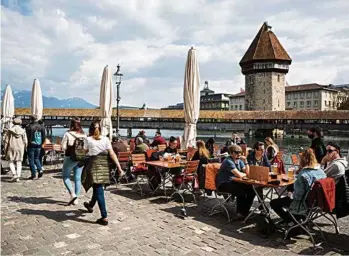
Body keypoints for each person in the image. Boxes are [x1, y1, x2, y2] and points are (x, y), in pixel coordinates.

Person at [82, 121, 123, 226]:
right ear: (100, 129)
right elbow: (112, 154)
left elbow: (83, 152)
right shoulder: (105, 139)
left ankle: (104, 217)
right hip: (104, 167)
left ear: (90, 129)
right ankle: (91, 205)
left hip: (94, 167)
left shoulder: (88, 139)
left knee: (98, 190)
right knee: (97, 187)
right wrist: (119, 167)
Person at [270, 148, 326, 223]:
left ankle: (289, 220)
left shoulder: (303, 174)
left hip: (302, 204)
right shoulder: (321, 172)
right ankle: (297, 219)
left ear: (302, 160)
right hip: (316, 202)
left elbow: (297, 197)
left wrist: (289, 194)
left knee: (273, 203)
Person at [216, 145, 254, 219]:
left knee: (251, 189)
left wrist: (246, 162)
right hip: (224, 184)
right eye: (236, 152)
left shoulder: (239, 160)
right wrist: (245, 175)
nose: (239, 154)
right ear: (231, 153)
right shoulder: (228, 161)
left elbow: (247, 173)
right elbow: (239, 175)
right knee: (241, 190)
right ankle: (239, 213)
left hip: (234, 182)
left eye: (240, 152)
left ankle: (244, 212)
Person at [61, 118, 87, 205]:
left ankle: (72, 194)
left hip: (70, 158)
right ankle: (76, 199)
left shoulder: (67, 134)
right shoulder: (84, 135)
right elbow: (86, 147)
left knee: (65, 177)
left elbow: (63, 147)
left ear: (71, 125)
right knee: (77, 178)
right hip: (80, 158)